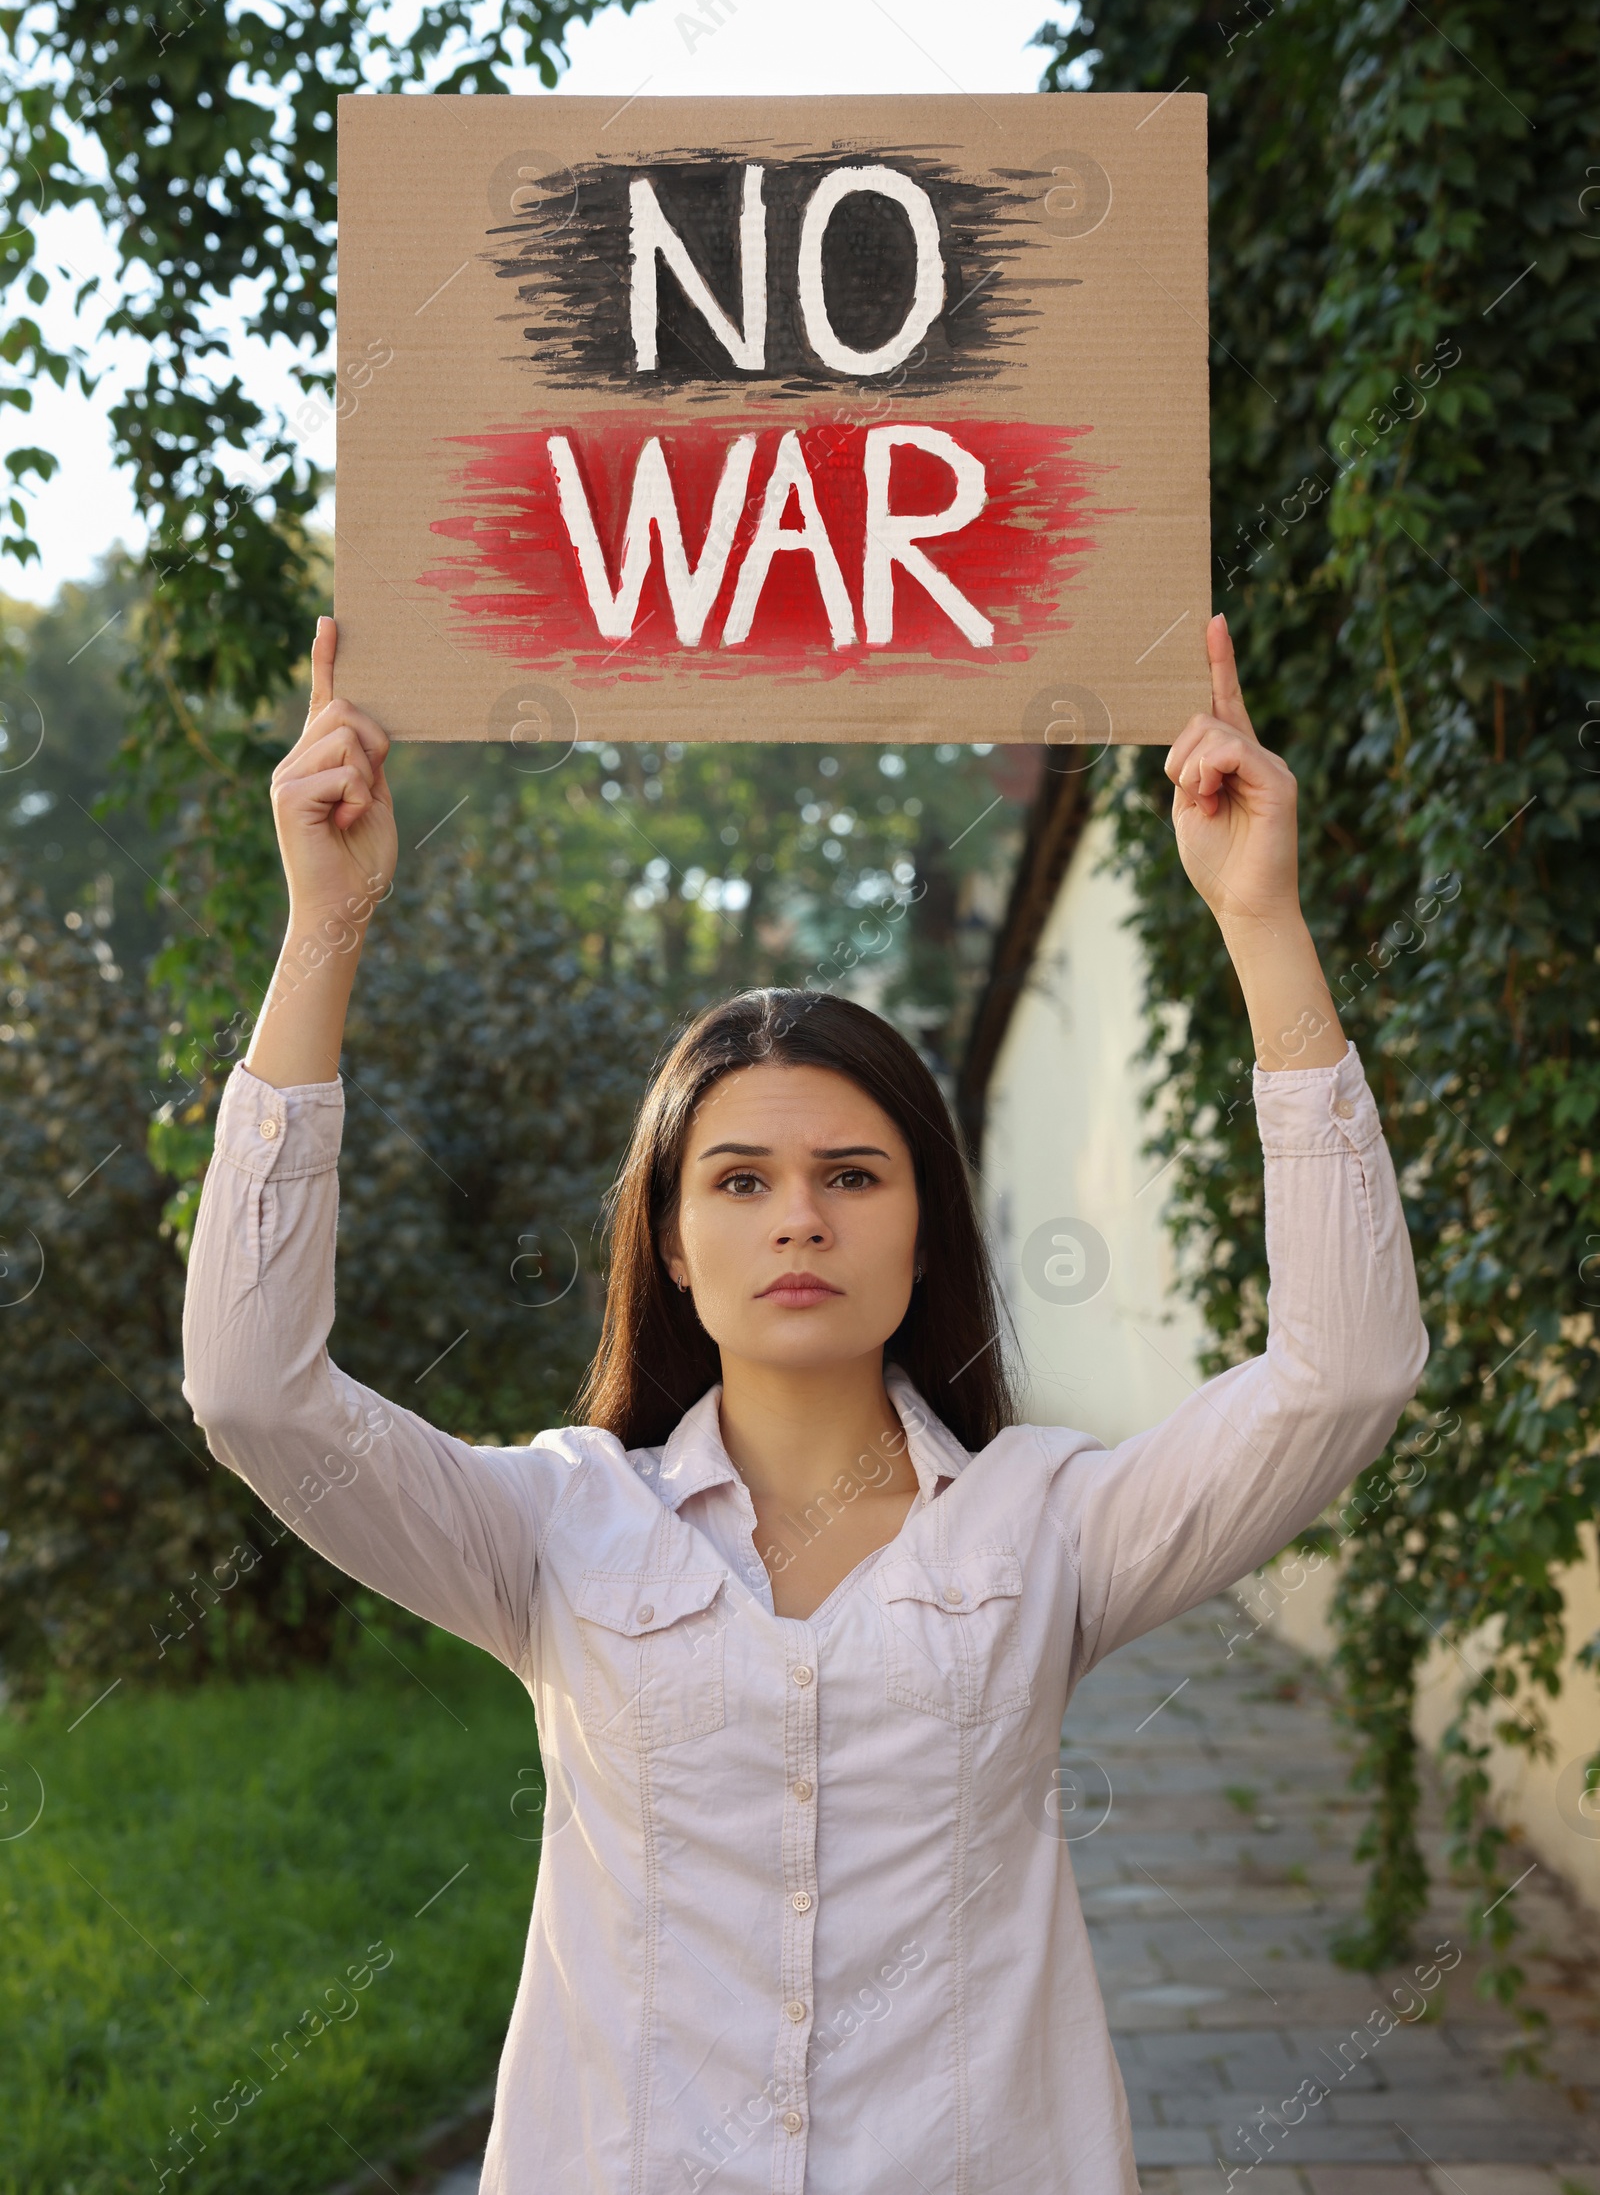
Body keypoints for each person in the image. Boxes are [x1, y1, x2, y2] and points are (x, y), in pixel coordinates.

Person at [182, 614, 1426, 2195]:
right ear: (675, 1251)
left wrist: (1262, 923)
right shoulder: (555, 1526)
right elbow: (251, 1391)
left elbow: (1351, 1371)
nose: (799, 1219)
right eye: (741, 1180)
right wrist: (323, 935)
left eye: (853, 1174)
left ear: (923, 1230)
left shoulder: (1054, 1522)